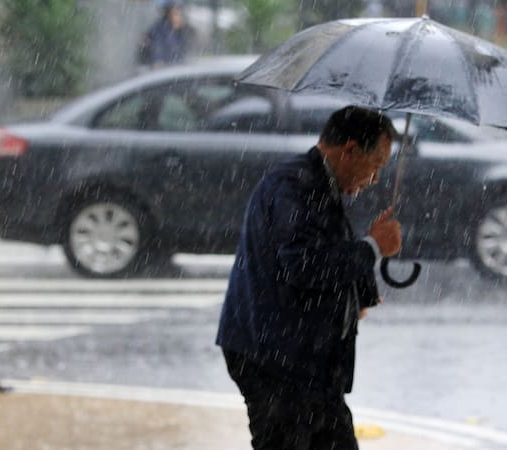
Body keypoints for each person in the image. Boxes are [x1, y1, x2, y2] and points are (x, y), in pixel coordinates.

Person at [216, 106, 402, 450]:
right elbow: (305, 266)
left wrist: (358, 295)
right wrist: (374, 246)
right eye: (376, 164)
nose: (375, 178)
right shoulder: (295, 186)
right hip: (277, 358)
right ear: (349, 151)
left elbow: (324, 252)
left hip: (307, 362)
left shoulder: (319, 184)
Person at [140, 0, 193, 68]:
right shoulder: (158, 29)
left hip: (179, 69)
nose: (179, 15)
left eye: (179, 10)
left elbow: (188, 52)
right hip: (164, 70)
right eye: (175, 11)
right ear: (168, 13)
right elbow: (158, 53)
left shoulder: (185, 30)